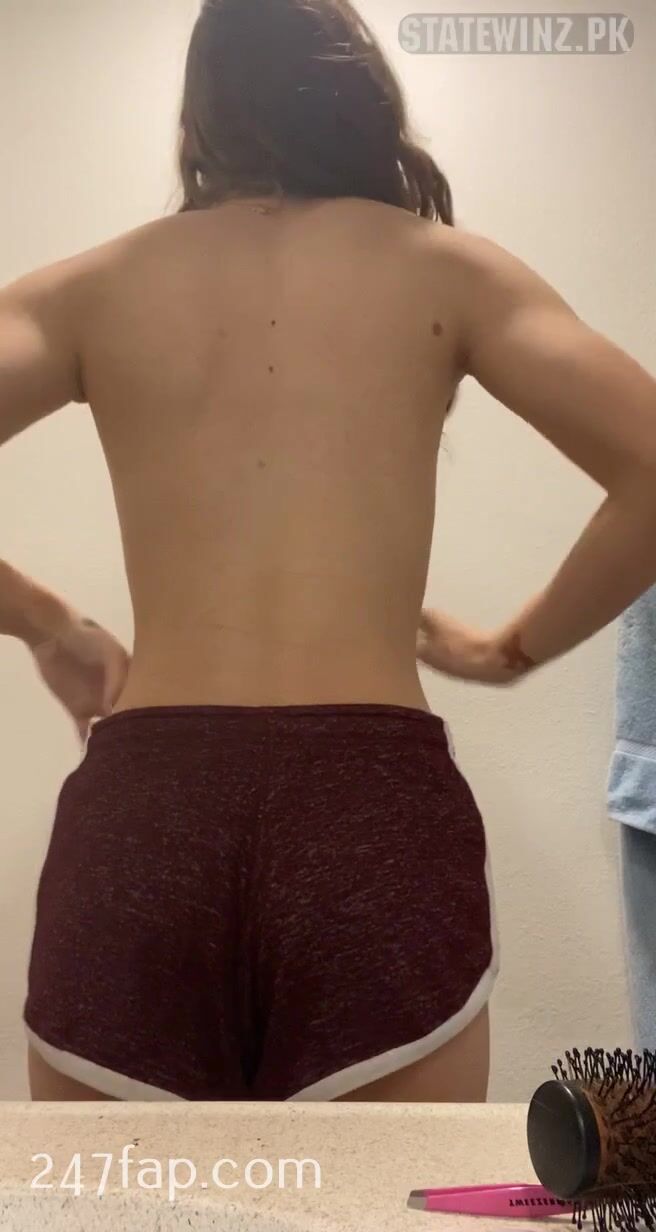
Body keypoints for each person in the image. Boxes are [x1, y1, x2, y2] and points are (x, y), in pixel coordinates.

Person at [2, 0, 656, 1103]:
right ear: (363, 100)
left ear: (198, 115)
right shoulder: (453, 274)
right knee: (377, 1195)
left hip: (148, 812)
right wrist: (505, 651)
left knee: (125, 1192)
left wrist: (47, 624)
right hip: (369, 808)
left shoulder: (85, 290)